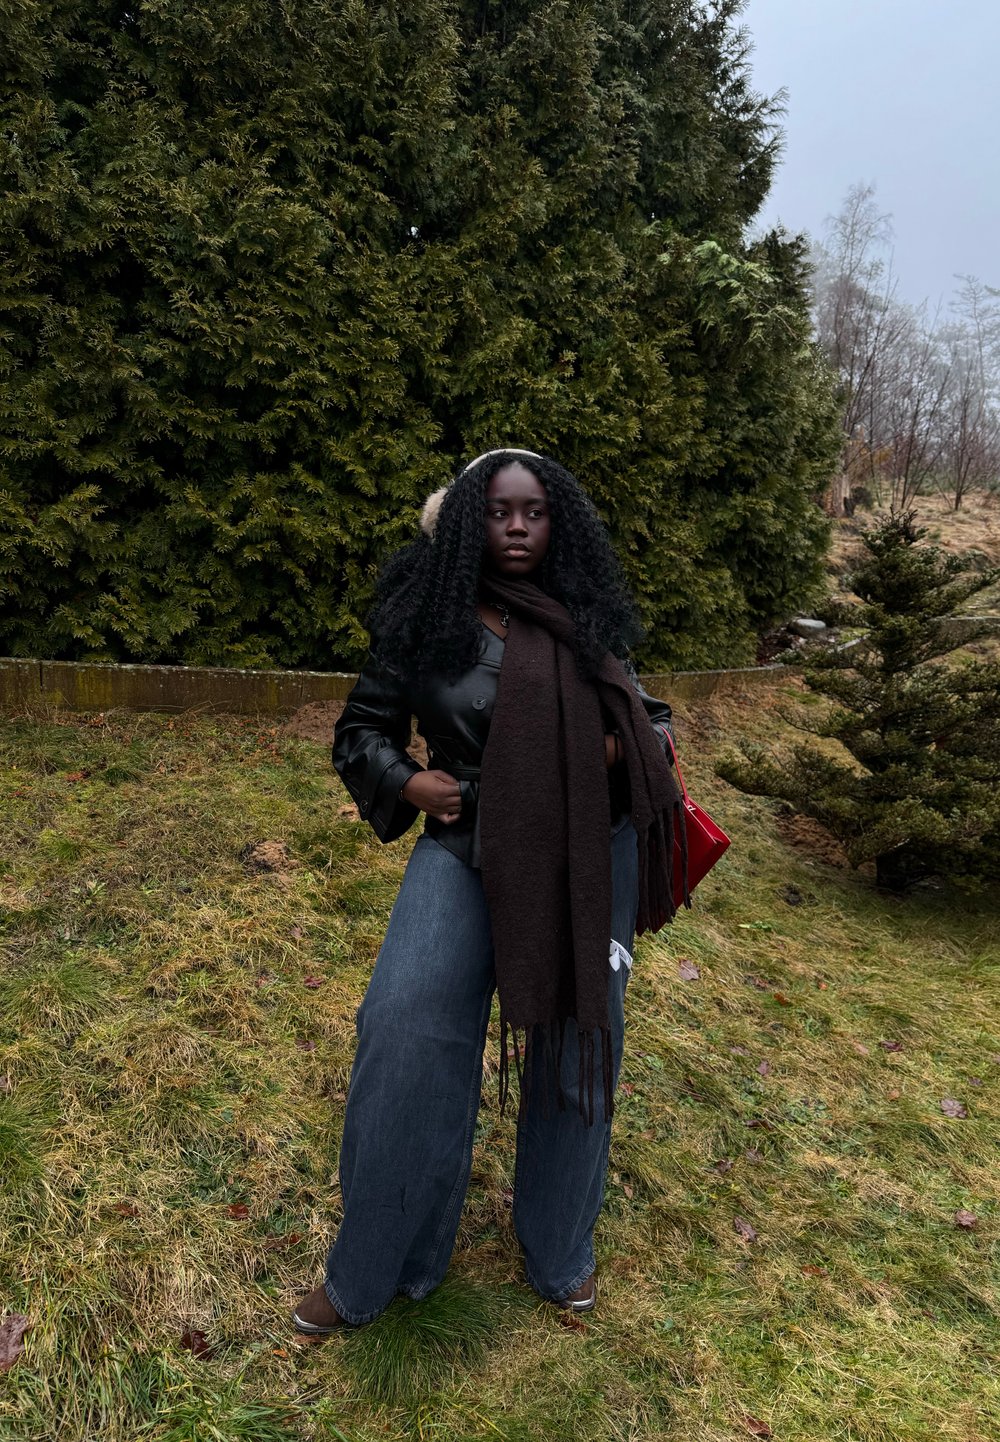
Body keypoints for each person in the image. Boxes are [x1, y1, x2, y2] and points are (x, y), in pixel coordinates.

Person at [292, 449, 685, 1333]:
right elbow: (361, 728)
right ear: (467, 520)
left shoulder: (582, 617)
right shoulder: (426, 618)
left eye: (534, 512)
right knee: (403, 1024)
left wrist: (605, 749)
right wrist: (407, 782)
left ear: (558, 523)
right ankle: (379, 1265)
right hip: (466, 844)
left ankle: (559, 1248)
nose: (516, 528)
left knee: (578, 1045)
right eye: (499, 511)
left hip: (582, 852)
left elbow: (651, 722)